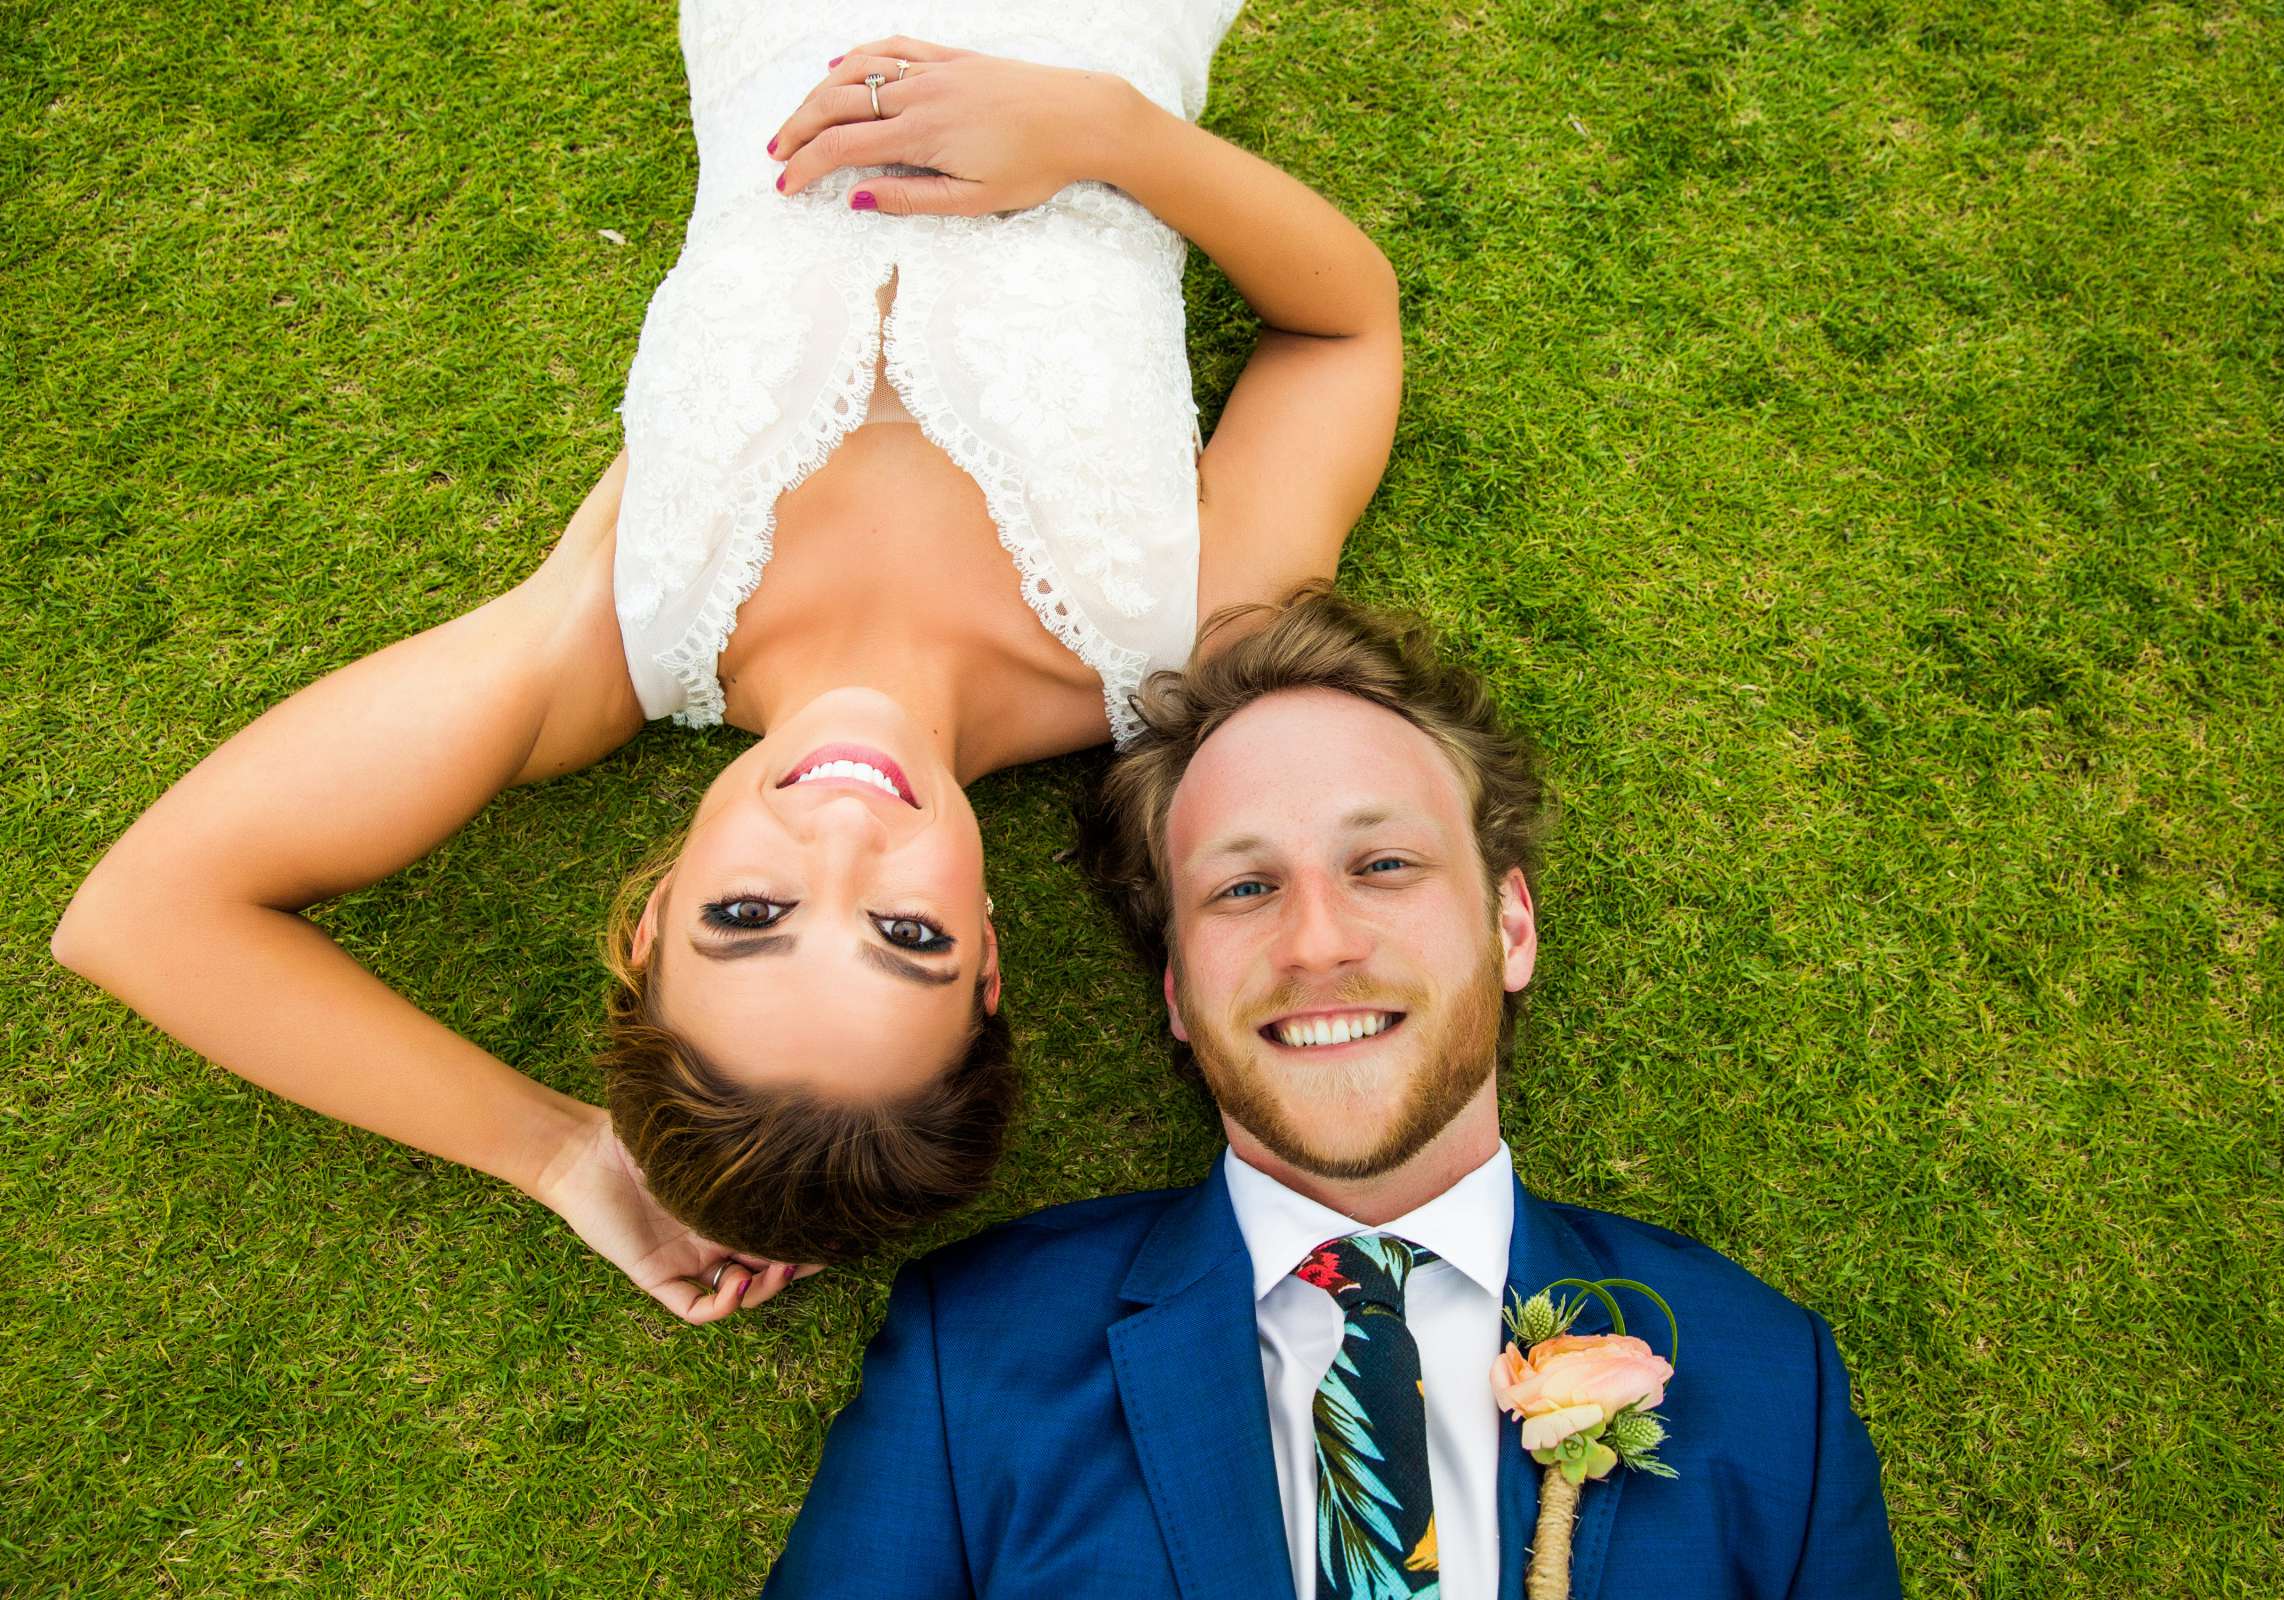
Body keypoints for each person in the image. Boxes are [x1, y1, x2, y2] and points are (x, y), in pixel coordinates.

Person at [48, 18, 1401, 1324]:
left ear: (649, 921)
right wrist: (1111, 132)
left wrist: (560, 1151)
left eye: (748, 917)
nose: (845, 841)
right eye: (907, 939)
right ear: (989, 960)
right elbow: (1343, 332)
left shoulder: (603, 636)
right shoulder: (1182, 641)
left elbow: (143, 915)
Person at [760, 592, 1901, 1599]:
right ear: (1176, 990)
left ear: (1510, 925)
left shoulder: (1767, 1384)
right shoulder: (977, 1356)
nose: (1315, 940)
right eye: (1245, 885)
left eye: (1383, 864)